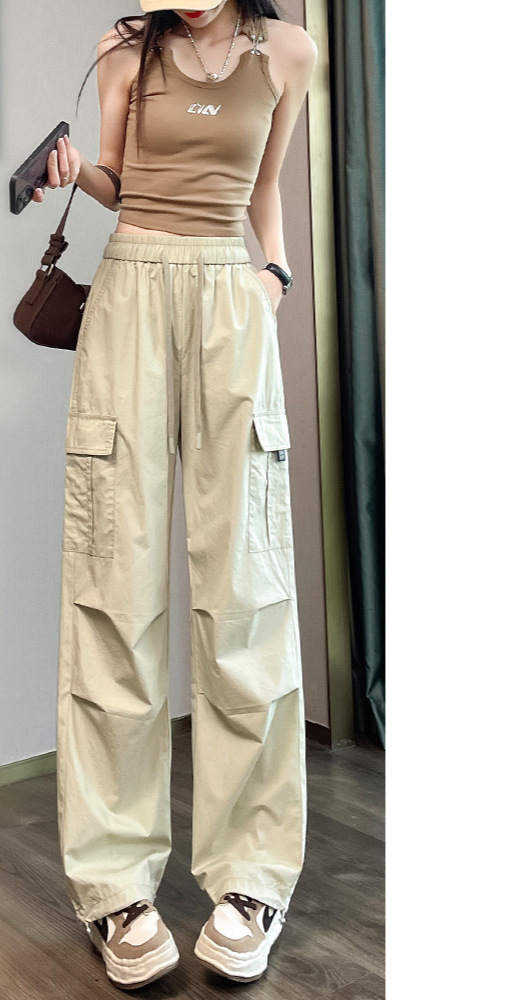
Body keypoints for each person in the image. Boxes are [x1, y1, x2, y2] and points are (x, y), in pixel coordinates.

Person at [36, 0, 317, 989]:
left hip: (229, 299)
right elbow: (122, 181)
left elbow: (263, 185)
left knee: (247, 589)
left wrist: (272, 278)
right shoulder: (125, 49)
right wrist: (80, 172)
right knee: (113, 585)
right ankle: (115, 884)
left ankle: (251, 877)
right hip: (130, 292)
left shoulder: (289, 52)